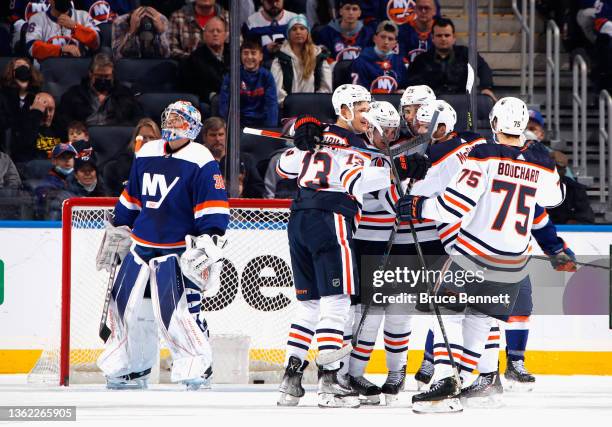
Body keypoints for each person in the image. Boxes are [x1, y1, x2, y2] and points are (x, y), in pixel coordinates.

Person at [397, 97, 565, 413]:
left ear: (494, 123)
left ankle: (446, 378)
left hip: (474, 253)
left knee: (444, 310)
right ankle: (468, 379)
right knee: (481, 319)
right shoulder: (540, 160)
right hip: (514, 262)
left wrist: (419, 206)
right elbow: (555, 198)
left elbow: (453, 207)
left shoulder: (483, 153)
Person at [275, 84, 430, 408]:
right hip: (331, 219)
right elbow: (357, 182)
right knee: (337, 302)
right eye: (361, 109)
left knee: (309, 305)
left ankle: (291, 380)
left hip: (299, 218)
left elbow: (283, 167)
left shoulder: (317, 136)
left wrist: (303, 133)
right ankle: (330, 382)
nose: (367, 114)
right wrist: (400, 169)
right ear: (343, 109)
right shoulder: (354, 145)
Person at [95, 101, 229, 390]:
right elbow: (131, 197)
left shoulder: (202, 159)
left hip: (177, 250)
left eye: (179, 120)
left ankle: (197, 366)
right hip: (141, 245)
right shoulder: (147, 151)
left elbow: (215, 210)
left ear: (191, 127)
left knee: (177, 313)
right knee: (125, 309)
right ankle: (131, 368)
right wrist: (118, 227)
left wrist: (208, 240)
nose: (171, 124)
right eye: (169, 117)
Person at [406, 17, 496, 100]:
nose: (443, 39)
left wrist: (486, 88)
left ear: (454, 37)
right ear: (432, 38)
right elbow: (410, 81)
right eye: (439, 35)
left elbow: (483, 68)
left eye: (447, 35)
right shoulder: (421, 60)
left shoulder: (465, 54)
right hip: (431, 104)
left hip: (462, 103)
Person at [57, 52, 143, 127]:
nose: (103, 80)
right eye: (99, 76)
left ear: (112, 74)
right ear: (90, 74)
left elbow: (137, 118)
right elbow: (64, 120)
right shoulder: (73, 95)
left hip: (115, 136)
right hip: (85, 136)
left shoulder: (125, 94)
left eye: (106, 76)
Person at [270, 14, 332, 106]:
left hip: (314, 108)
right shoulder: (280, 59)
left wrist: (314, 104)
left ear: (308, 32)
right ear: (288, 34)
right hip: (289, 109)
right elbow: (277, 91)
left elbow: (326, 89)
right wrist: (292, 104)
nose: (298, 32)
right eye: (294, 29)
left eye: (302, 28)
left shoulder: (319, 58)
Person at [218, 40, 278, 127]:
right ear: (240, 56)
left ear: (261, 56)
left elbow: (271, 105)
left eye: (253, 53)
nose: (249, 57)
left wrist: (270, 130)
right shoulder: (232, 75)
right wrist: (231, 126)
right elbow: (225, 103)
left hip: (261, 124)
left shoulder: (267, 76)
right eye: (245, 53)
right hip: (238, 125)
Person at [201, 117, 264, 198]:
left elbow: (259, 190)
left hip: (241, 207)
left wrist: (242, 189)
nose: (217, 139)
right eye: (213, 135)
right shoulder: (198, 160)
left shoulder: (245, 159)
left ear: (226, 136)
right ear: (204, 137)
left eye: (221, 134)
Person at [103, 118, 160, 196]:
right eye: (143, 138)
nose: (147, 142)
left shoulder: (167, 166)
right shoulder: (116, 168)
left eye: (152, 137)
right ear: (134, 141)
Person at [25, 0, 100, 61]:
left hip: (77, 67)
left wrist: (75, 27)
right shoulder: (37, 19)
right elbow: (32, 47)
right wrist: (60, 50)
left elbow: (96, 41)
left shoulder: (83, 15)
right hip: (47, 70)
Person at [179, 16, 229, 105]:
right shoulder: (194, 59)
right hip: (212, 100)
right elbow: (194, 87)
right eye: (211, 31)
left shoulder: (235, 53)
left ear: (225, 35)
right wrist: (212, 95)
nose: (215, 34)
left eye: (219, 31)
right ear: (204, 35)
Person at [351, 20, 407, 94]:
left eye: (390, 39)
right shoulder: (361, 61)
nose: (386, 42)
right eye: (383, 37)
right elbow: (358, 92)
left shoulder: (399, 62)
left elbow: (403, 86)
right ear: (374, 38)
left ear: (395, 43)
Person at [11, 92, 64, 165]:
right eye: (44, 110)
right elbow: (24, 144)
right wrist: (36, 114)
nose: (48, 114)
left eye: (51, 110)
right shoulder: (22, 125)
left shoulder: (58, 128)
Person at [0, 57, 43, 148]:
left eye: (25, 66)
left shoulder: (38, 96)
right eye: (18, 66)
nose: (22, 68)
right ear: (12, 71)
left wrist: (36, 112)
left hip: (33, 147)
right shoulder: (3, 96)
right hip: (9, 145)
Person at [547, 150, 595, 224]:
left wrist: (573, 224)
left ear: (564, 171)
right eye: (551, 167)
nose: (555, 171)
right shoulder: (532, 186)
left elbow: (587, 219)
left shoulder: (575, 189)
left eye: (558, 168)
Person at [34, 142, 77, 219]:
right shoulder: (49, 180)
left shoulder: (81, 177)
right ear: (54, 161)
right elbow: (42, 192)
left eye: (70, 157)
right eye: (63, 157)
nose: (67, 160)